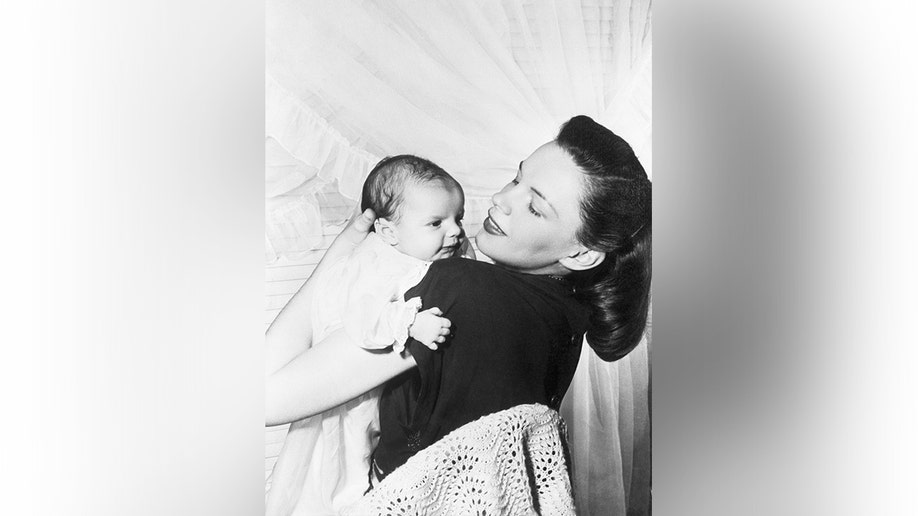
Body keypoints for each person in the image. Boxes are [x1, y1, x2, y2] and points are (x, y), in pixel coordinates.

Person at [265, 115, 651, 507]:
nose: (502, 200)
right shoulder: (565, 317)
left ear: (582, 253)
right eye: (517, 179)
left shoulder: (460, 288)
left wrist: (348, 248)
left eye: (534, 207)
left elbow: (265, 396)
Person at [265, 155, 468, 515]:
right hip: (347, 395)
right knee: (334, 470)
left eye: (458, 218)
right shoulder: (376, 262)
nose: (454, 231)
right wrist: (410, 324)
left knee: (353, 464)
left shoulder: (412, 254)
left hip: (370, 391)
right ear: (389, 232)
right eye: (436, 223)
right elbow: (363, 319)